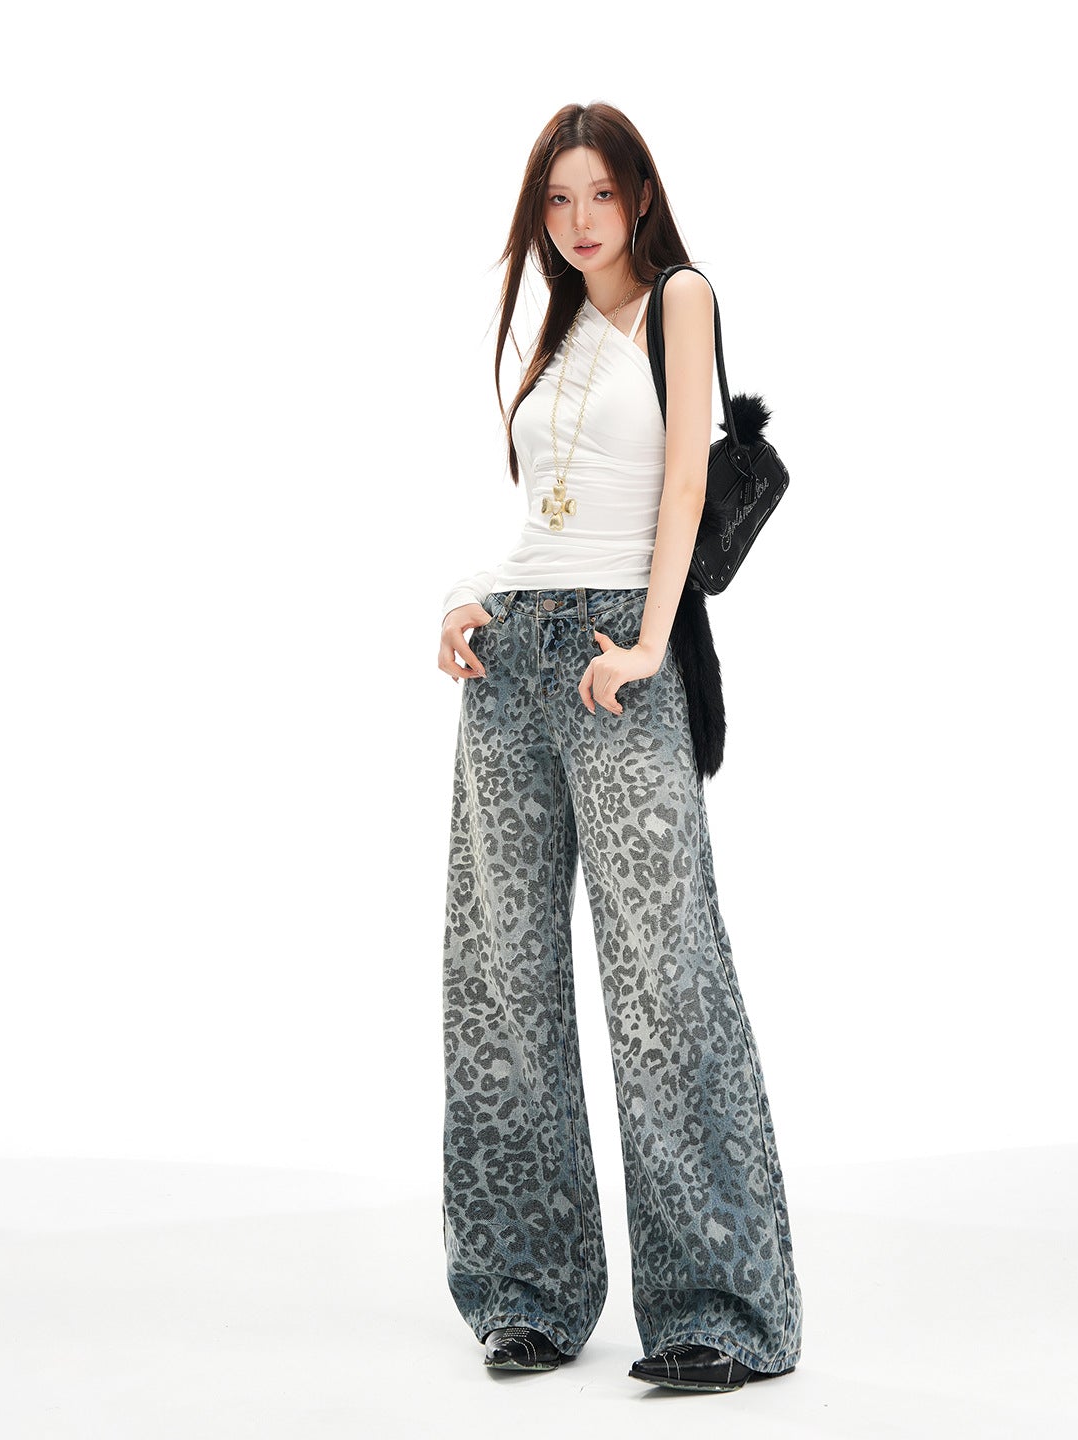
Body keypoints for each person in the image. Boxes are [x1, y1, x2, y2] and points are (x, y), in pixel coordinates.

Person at [436, 101, 803, 1394]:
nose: (579, 221)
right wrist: (472, 596)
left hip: (615, 659)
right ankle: (526, 1293)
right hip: (515, 656)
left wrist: (649, 643)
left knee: (664, 983)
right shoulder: (555, 331)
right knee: (500, 981)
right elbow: (549, 514)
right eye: (557, 201)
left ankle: (720, 1309)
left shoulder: (678, 298)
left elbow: (684, 483)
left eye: (599, 194)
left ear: (640, 196)